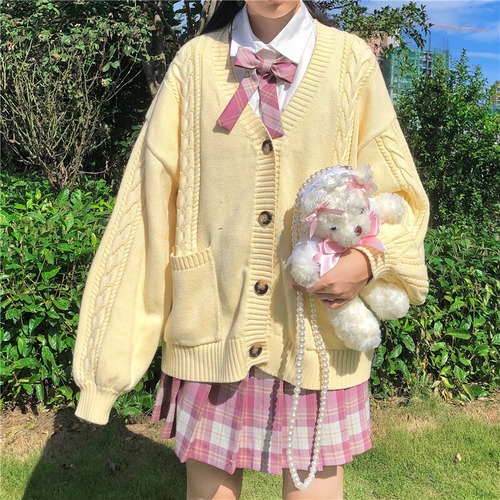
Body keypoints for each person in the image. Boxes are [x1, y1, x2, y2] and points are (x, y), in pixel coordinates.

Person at [72, 1, 429, 498]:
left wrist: (369, 261)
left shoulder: (351, 63)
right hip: (212, 329)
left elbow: (402, 198)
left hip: (317, 339)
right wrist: (104, 371)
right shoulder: (195, 65)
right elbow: (144, 212)